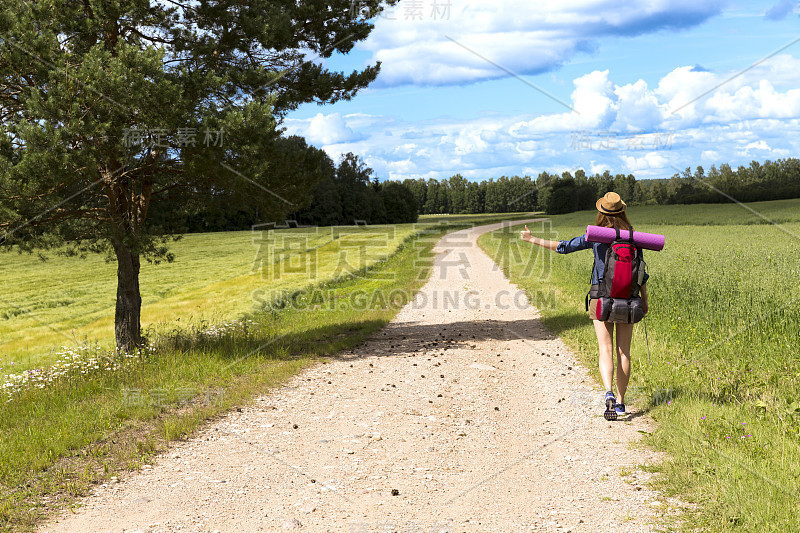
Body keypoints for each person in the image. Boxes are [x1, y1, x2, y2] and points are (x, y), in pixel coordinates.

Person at [520, 192, 648, 420]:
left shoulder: (595, 236)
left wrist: (532, 239)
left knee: (605, 349)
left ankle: (608, 393)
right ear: (623, 212)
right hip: (629, 301)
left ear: (601, 212)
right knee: (623, 352)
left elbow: (563, 247)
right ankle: (620, 403)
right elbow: (641, 274)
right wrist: (644, 301)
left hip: (600, 298)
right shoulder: (634, 238)